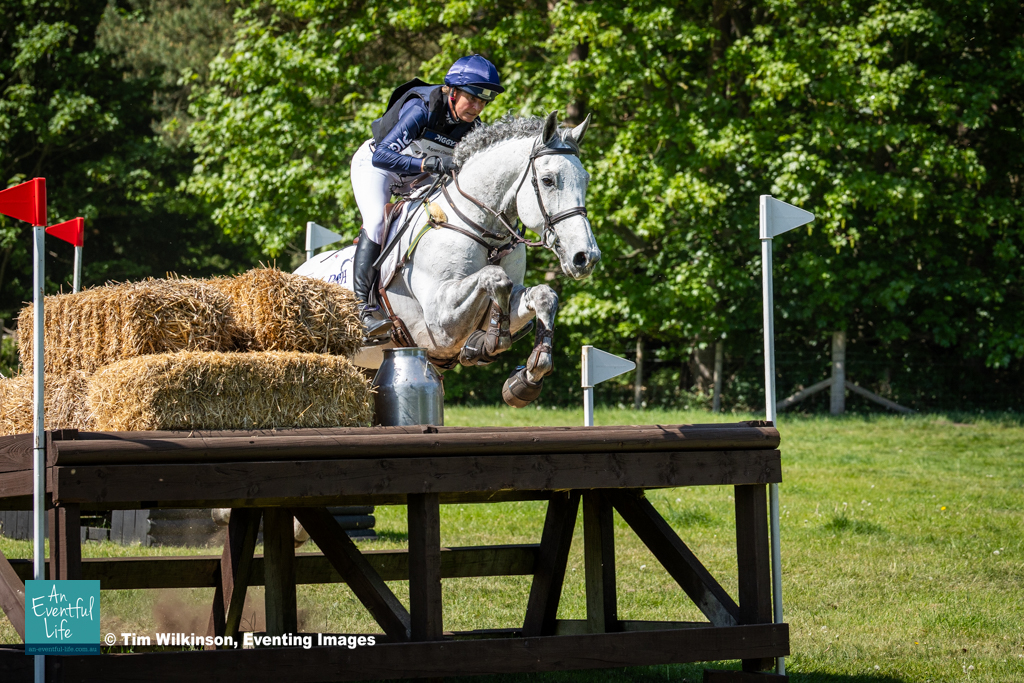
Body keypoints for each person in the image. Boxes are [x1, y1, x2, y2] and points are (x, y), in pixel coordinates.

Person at [350, 54, 504, 337]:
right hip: (378, 167)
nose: (477, 108)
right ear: (452, 91)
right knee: (376, 222)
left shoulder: (474, 128)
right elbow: (382, 156)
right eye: (472, 99)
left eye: (483, 102)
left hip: (419, 177)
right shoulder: (422, 109)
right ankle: (361, 308)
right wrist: (426, 164)